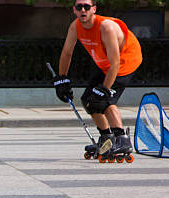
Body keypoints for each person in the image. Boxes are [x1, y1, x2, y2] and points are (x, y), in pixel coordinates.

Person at [54, 0, 142, 159]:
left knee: (103, 100)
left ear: (93, 9)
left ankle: (122, 139)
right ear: (74, 10)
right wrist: (62, 80)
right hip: (104, 63)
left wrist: (105, 89)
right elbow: (67, 53)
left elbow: (115, 63)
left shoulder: (106, 27)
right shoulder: (75, 26)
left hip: (124, 62)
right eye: (79, 7)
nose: (83, 10)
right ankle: (106, 138)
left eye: (87, 7)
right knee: (88, 100)